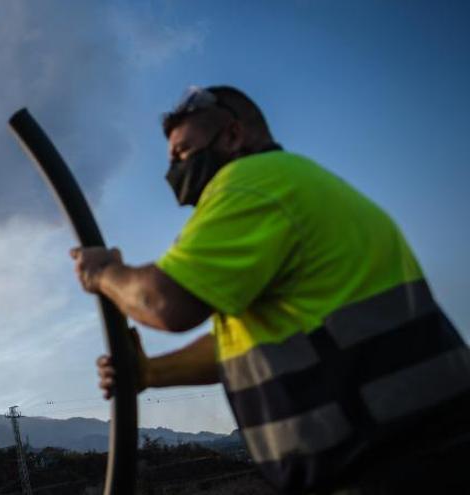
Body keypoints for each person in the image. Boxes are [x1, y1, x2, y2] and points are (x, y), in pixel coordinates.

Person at [70, 85, 470, 494]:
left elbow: (165, 302)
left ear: (231, 136)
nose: (173, 170)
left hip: (392, 465)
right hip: (421, 451)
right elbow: (255, 348)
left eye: (183, 152)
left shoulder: (251, 183)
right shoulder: (303, 186)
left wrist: (104, 273)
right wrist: (151, 372)